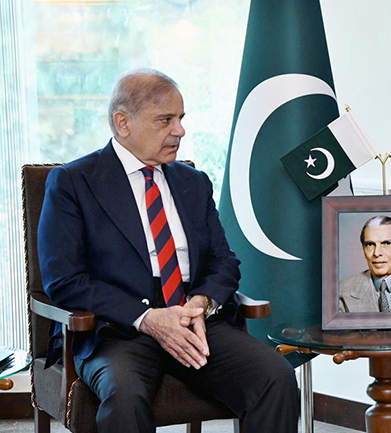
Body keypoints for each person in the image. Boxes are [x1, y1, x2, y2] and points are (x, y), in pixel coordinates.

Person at [38, 69, 299, 433]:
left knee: (276, 376)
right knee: (124, 396)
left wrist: (201, 304)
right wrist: (148, 319)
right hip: (118, 331)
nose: (180, 131)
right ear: (123, 123)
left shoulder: (193, 182)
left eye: (181, 119)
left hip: (197, 323)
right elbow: (64, 280)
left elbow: (224, 262)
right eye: (165, 120)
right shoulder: (73, 182)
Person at [338, 215, 391, 313]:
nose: (377, 253)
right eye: (370, 244)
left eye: (387, 243)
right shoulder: (341, 291)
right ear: (363, 248)